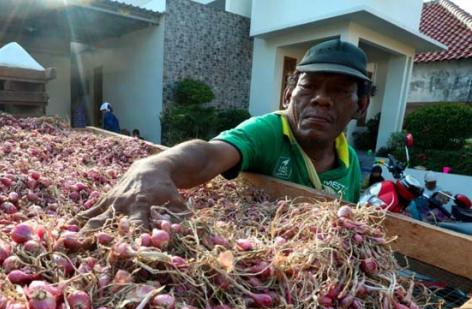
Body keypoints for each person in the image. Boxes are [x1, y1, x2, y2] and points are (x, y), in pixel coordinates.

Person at [79, 39, 371, 230]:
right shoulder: (270, 132)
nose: (321, 99)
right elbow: (210, 155)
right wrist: (154, 165)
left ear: (361, 106)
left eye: (340, 91)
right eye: (309, 87)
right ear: (287, 95)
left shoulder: (351, 165)